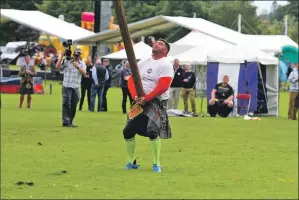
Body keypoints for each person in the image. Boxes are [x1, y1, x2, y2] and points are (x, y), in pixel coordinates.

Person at [123, 39, 174, 173]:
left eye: (161, 44)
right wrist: (135, 96)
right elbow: (131, 80)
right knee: (127, 130)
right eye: (156, 42)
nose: (157, 44)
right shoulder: (143, 62)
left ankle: (156, 164)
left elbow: (163, 86)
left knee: (152, 130)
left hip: (155, 101)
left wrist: (146, 98)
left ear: (165, 51)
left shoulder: (166, 64)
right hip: (139, 100)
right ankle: (131, 161)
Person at [56, 48, 86, 127]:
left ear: (80, 55)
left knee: (74, 104)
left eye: (78, 55)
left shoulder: (82, 63)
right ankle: (65, 122)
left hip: (76, 86)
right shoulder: (67, 62)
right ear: (73, 55)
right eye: (75, 55)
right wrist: (62, 55)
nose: (76, 56)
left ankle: (70, 121)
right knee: (66, 103)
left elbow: (84, 73)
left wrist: (77, 66)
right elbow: (57, 66)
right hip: (66, 85)